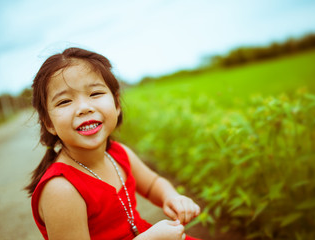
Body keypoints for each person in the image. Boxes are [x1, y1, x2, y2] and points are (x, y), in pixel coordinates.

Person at [25, 47, 201, 240]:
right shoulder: (61, 190)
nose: (84, 108)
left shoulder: (118, 153)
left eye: (95, 94)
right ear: (48, 122)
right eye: (65, 101)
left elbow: (152, 184)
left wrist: (171, 197)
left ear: (117, 104)